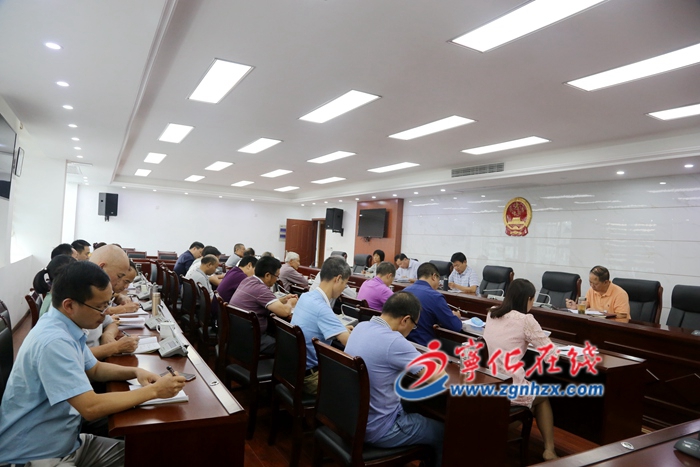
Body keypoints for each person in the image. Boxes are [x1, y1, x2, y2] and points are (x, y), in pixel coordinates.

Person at [0, 261, 186, 466]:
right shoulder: (53, 341)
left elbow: (95, 369)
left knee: (147, 456)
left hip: (67, 442)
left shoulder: (66, 326)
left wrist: (136, 371)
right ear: (69, 305)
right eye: (100, 307)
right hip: (36, 456)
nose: (106, 313)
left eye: (107, 305)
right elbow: (90, 407)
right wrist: (155, 391)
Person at [345, 292, 444, 467]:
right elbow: (437, 375)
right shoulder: (394, 341)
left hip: (350, 419)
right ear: (405, 320)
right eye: (414, 326)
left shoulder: (361, 326)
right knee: (443, 432)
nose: (411, 331)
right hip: (379, 429)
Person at [483, 278, 559, 461]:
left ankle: (491, 432)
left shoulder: (492, 312)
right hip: (509, 385)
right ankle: (549, 450)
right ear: (528, 299)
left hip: (489, 380)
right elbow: (551, 355)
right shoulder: (526, 320)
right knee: (543, 396)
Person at [291, 256, 352, 395]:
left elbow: (315, 326)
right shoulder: (322, 309)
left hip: (293, 369)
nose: (344, 288)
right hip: (311, 378)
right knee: (357, 384)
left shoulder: (306, 297)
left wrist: (340, 329)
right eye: (345, 283)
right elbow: (350, 342)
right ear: (338, 279)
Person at [229, 256, 297, 355]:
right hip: (253, 339)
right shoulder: (260, 289)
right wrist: (291, 302)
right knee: (291, 346)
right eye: (277, 276)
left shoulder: (248, 280)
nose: (276, 280)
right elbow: (285, 312)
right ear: (267, 275)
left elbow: (261, 300)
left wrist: (283, 300)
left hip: (238, 335)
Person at [88, 245, 140, 359]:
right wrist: (115, 347)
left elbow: (110, 322)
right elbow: (77, 356)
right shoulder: (79, 295)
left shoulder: (97, 293)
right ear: (101, 268)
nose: (119, 283)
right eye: (119, 276)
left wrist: (108, 334)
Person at [405, 262, 462, 345]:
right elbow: (455, 326)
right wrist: (456, 317)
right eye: (439, 280)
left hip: (405, 343)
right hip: (425, 347)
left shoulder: (403, 292)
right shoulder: (435, 296)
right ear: (434, 276)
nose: (438, 284)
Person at [566, 265, 630, 318]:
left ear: (606, 282)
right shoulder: (591, 290)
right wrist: (576, 307)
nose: (592, 286)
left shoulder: (620, 294)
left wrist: (599, 312)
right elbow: (585, 305)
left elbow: (622, 316)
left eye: (595, 284)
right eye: (590, 282)